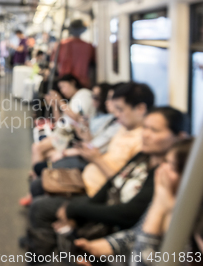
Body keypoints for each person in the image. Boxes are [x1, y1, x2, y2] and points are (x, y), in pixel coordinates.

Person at [22, 106, 186, 261]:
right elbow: (113, 182)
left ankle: (41, 254)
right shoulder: (143, 156)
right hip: (100, 199)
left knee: (42, 207)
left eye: (154, 130)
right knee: (44, 200)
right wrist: (76, 213)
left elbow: (129, 214)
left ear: (179, 137)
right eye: (146, 128)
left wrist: (75, 210)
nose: (146, 134)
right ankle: (41, 250)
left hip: (113, 220)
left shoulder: (165, 172)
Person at [74, 138, 199, 266]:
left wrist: (159, 205)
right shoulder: (170, 195)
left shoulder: (192, 224)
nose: (162, 169)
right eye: (164, 162)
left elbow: (142, 261)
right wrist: (107, 245)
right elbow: (137, 233)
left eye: (171, 166)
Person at [80, 82, 154, 196]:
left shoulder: (143, 141)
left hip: (98, 194)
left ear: (140, 108)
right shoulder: (125, 128)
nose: (117, 114)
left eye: (120, 110)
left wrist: (96, 159)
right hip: (86, 182)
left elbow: (124, 185)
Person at [31, 74, 95, 166]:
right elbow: (59, 122)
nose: (62, 90)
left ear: (73, 83)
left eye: (63, 86)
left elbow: (76, 117)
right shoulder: (71, 101)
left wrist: (60, 101)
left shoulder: (83, 94)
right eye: (60, 88)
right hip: (62, 132)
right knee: (43, 153)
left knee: (37, 148)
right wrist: (54, 105)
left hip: (68, 135)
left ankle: (36, 175)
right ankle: (38, 175)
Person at [56, 19, 95, 88]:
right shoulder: (89, 46)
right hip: (82, 82)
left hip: (65, 83)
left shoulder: (61, 45)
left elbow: (55, 63)